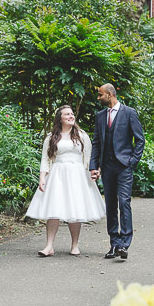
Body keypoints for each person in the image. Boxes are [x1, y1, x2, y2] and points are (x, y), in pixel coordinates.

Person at [26, 105, 105, 257]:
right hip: (57, 174)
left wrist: (95, 171)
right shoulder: (51, 137)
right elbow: (45, 158)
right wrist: (42, 177)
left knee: (75, 209)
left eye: (72, 114)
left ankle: (75, 245)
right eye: (67, 114)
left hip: (77, 175)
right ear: (60, 118)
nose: (71, 116)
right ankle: (49, 246)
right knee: (53, 209)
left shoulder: (82, 135)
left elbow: (89, 157)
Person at [89, 83, 145, 260]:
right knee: (111, 205)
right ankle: (114, 244)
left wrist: (132, 162)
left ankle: (125, 244)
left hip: (124, 166)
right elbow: (96, 143)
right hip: (107, 167)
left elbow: (140, 139)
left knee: (124, 203)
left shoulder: (129, 113)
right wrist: (93, 166)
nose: (98, 98)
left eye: (100, 95)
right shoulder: (100, 116)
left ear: (110, 94)